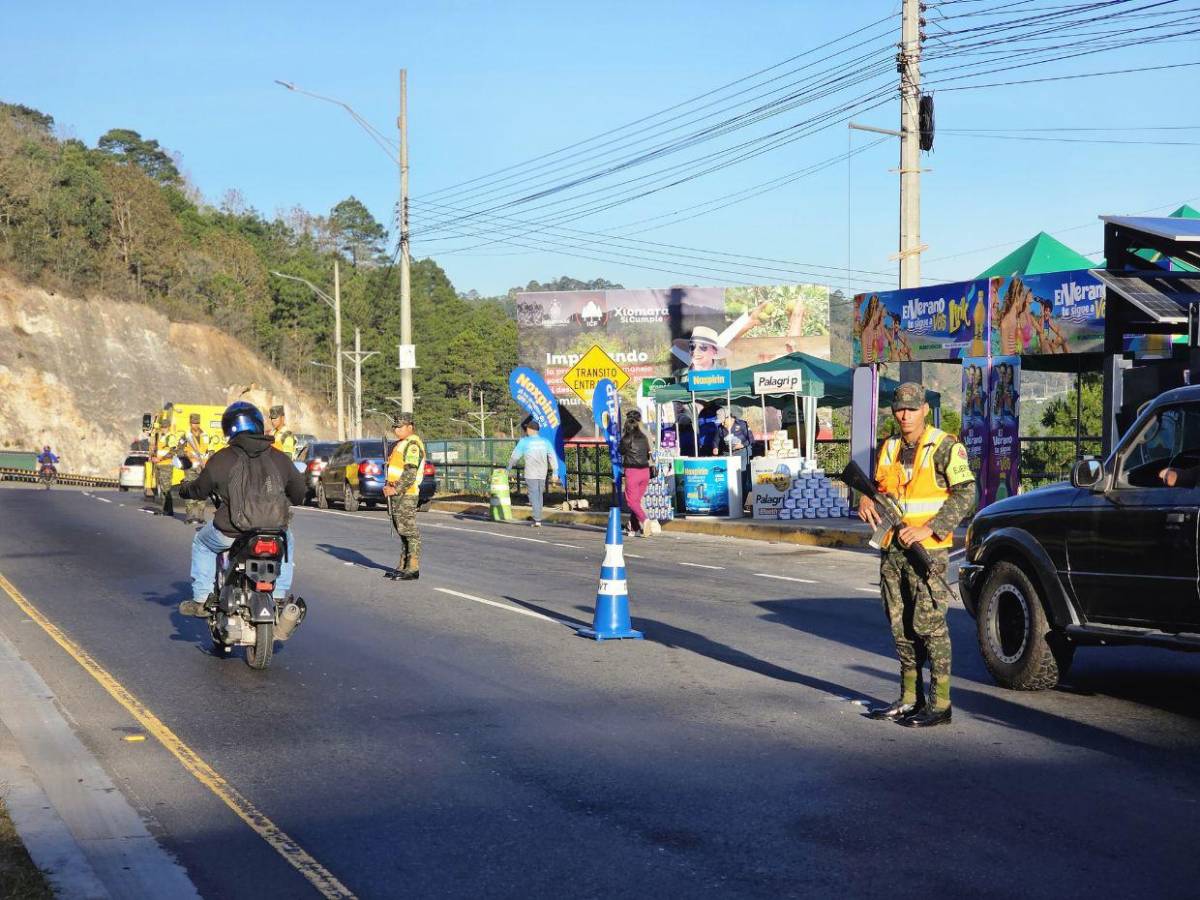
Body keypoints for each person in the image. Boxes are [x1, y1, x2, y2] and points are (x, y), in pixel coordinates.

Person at [858, 383, 976, 728]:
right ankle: (910, 698)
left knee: (929, 626)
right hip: (892, 549)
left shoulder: (945, 446)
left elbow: (966, 493)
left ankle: (941, 704)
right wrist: (865, 498)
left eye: (912, 408)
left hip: (928, 551)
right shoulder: (890, 446)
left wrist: (930, 528)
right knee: (900, 627)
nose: (905, 415)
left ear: (925, 409)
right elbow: (880, 488)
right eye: (899, 409)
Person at [177, 402, 306, 618]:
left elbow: (199, 489)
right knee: (287, 540)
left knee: (201, 543)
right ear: (258, 424)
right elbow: (299, 493)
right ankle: (279, 595)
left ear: (229, 428)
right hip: (274, 530)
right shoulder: (279, 457)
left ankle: (201, 599)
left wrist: (184, 489)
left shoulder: (222, 458)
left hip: (232, 531)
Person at [383, 412, 425, 581]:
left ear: (410, 427)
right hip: (397, 492)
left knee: (409, 531)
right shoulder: (400, 444)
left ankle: (413, 568)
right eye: (395, 427)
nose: (397, 430)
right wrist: (389, 486)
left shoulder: (412, 444)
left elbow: (410, 473)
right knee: (402, 530)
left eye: (400, 427)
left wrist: (395, 489)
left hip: (407, 493)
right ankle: (403, 566)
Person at [507, 418, 555, 527]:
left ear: (531, 430)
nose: (526, 431)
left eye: (527, 429)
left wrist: (508, 468)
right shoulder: (545, 442)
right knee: (539, 495)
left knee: (533, 495)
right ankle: (538, 518)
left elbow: (515, 456)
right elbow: (552, 456)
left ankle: (537, 519)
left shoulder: (524, 441)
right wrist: (555, 472)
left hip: (531, 472)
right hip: (542, 473)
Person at [620, 410, 652, 536]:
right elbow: (649, 453)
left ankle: (645, 520)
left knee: (631, 502)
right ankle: (633, 527)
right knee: (636, 501)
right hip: (645, 471)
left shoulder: (627, 438)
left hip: (633, 471)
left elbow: (620, 451)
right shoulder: (644, 436)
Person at [150, 405, 181, 517]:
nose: (163, 429)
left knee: (166, 489)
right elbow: (157, 450)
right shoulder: (160, 437)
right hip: (159, 466)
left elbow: (172, 452)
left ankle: (168, 510)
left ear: (168, 427)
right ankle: (165, 509)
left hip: (166, 466)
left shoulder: (170, 437)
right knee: (162, 489)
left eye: (165, 427)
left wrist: (160, 459)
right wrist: (153, 457)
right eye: (162, 427)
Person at [181, 413, 212, 525]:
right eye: (194, 423)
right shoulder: (185, 436)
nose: (196, 425)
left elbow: (211, 450)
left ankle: (201, 516)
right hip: (190, 468)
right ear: (190, 423)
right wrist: (186, 454)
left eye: (197, 423)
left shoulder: (206, 435)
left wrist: (208, 461)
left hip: (202, 467)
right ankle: (189, 515)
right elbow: (178, 450)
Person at [718, 411, 754, 500]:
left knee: (742, 478)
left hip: (743, 454)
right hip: (728, 455)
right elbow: (716, 440)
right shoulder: (720, 427)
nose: (722, 424)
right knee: (729, 478)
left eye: (723, 421)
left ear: (729, 418)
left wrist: (742, 445)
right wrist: (715, 447)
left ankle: (742, 501)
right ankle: (731, 501)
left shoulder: (742, 424)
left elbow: (751, 439)